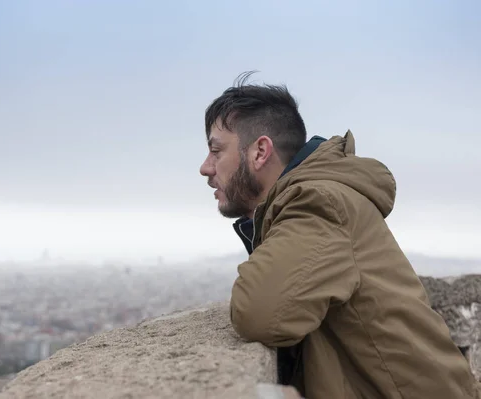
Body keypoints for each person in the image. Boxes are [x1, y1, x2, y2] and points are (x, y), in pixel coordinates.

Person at [199, 72, 480, 399]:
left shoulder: (317, 202)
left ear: (260, 152)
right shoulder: (317, 198)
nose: (206, 167)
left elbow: (260, 313)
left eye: (216, 151)